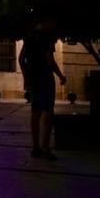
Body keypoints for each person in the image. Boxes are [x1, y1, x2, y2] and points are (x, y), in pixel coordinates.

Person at [19, 16, 67, 160]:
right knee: (48, 111)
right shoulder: (47, 37)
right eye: (53, 21)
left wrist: (26, 77)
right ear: (47, 21)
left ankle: (35, 147)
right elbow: (49, 60)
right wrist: (60, 75)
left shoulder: (29, 36)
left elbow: (21, 59)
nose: (54, 25)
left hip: (34, 78)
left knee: (36, 111)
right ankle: (45, 147)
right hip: (45, 77)